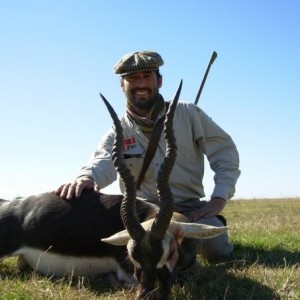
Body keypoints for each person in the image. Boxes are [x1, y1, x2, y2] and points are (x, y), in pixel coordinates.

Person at [56, 50, 240, 261]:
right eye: (132, 78)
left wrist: (218, 199)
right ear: (122, 85)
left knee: (216, 250)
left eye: (147, 76)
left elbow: (224, 152)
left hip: (189, 208)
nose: (140, 83)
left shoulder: (188, 113)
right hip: (141, 212)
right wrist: (86, 177)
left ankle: (190, 241)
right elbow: (102, 160)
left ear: (159, 81)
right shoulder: (118, 131)